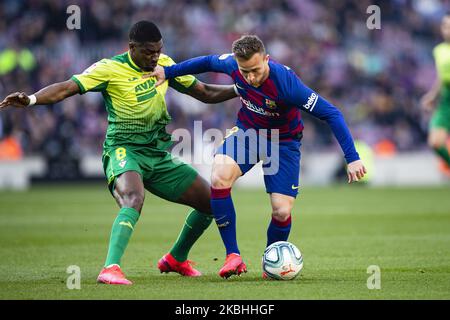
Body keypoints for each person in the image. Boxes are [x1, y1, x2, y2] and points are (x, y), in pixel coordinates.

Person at [0, 21, 238, 285]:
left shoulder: (164, 66)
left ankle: (176, 258)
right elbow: (68, 87)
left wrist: (241, 89)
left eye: (158, 50)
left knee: (211, 203)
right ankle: (110, 268)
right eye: (148, 51)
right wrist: (32, 99)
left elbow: (204, 92)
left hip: (157, 154)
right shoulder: (109, 68)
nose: (154, 57)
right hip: (123, 150)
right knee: (134, 198)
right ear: (132, 48)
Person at [150, 35, 366, 279]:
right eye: (245, 72)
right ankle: (233, 255)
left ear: (266, 59)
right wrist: (168, 72)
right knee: (219, 176)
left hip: (283, 142)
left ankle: (270, 262)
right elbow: (208, 61)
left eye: (255, 70)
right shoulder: (233, 65)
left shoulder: (287, 84)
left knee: (281, 211)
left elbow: (331, 113)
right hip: (248, 133)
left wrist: (353, 157)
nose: (250, 77)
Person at [421, 13, 450, 173]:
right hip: (447, 100)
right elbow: (441, 76)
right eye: (445, 26)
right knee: (435, 142)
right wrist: (432, 95)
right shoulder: (439, 50)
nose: (448, 30)